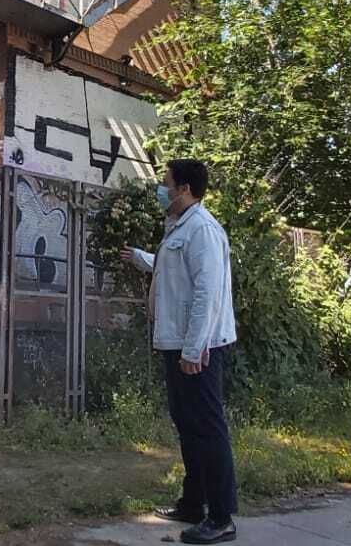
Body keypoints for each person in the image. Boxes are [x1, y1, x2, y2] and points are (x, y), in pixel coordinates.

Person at [120, 159, 239, 545]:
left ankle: (221, 517)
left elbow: (208, 292)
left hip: (198, 348)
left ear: (185, 189)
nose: (162, 190)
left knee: (207, 428)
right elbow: (176, 272)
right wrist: (143, 259)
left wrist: (194, 347)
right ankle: (193, 503)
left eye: (166, 184)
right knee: (188, 428)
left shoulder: (202, 229)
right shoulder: (180, 227)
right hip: (178, 343)